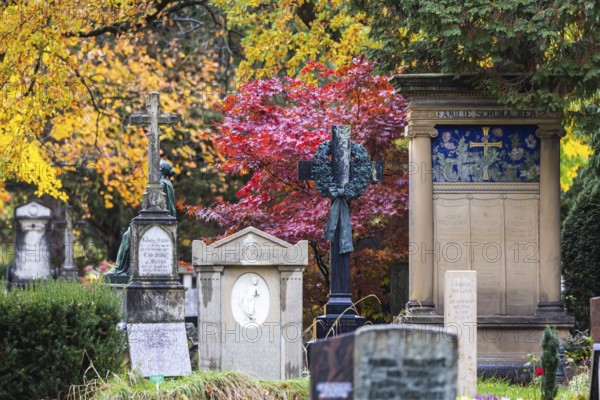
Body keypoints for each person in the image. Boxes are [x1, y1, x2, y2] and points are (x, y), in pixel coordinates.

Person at [105, 160, 176, 278]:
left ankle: (120, 268)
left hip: (156, 221)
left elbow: (157, 206)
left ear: (160, 171)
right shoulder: (167, 183)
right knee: (128, 234)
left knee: (128, 235)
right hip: (159, 221)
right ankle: (124, 268)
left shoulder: (162, 184)